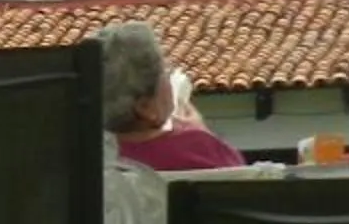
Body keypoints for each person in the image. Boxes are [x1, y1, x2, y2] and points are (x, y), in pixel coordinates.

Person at [100, 20, 245, 172]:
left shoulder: (88, 159)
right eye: (165, 73)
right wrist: (201, 134)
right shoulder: (200, 150)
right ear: (145, 107)